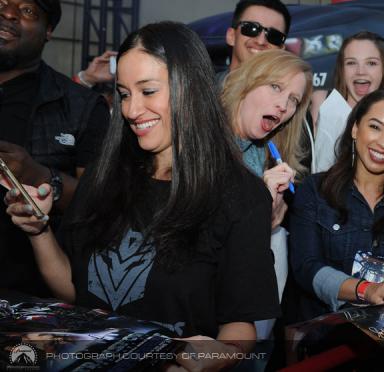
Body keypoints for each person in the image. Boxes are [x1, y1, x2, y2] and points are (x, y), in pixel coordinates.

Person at [5, 22, 279, 369]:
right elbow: (74, 293)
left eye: (148, 91)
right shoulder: (106, 175)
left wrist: (209, 358)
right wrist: (39, 231)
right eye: (123, 94)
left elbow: (241, 327)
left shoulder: (241, 195)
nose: (132, 110)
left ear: (190, 88)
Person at [0, 0, 109, 296]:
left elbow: (100, 202)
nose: (8, 14)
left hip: (31, 299)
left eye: (27, 11)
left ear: (48, 31)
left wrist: (39, 175)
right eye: (1, 4)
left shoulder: (81, 106)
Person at [290, 89, 384, 321]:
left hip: (382, 342)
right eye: (375, 127)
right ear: (355, 128)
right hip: (319, 337)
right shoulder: (315, 190)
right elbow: (306, 268)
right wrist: (366, 290)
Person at [220, 49, 312, 340]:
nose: (284, 105)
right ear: (247, 81)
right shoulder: (201, 136)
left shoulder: (265, 154)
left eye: (294, 99)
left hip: (235, 304)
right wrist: (256, 200)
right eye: (276, 87)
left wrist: (272, 210)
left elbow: (251, 240)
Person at [312, 31, 384, 173]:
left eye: (371, 63)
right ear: (341, 69)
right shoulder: (323, 103)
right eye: (351, 63)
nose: (360, 71)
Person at [219, 0, 292, 84]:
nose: (261, 41)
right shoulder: (200, 88)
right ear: (231, 36)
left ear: (281, 49)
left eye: (274, 35)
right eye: (251, 28)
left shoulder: (286, 97)